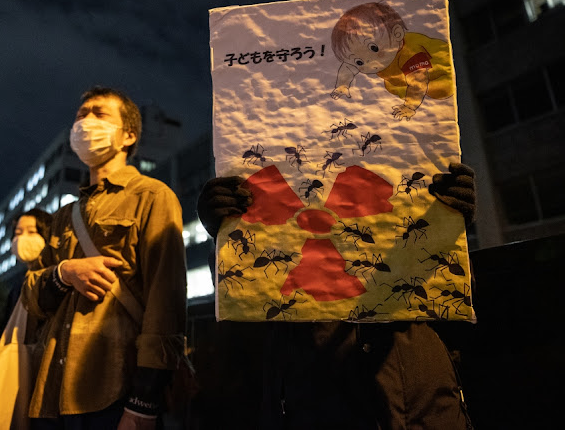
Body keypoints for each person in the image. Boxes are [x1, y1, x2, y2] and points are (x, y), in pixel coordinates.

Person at [195, 162, 476, 429]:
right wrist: (225, 237)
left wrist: (449, 226)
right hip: (310, 394)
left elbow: (455, 300)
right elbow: (244, 305)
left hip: (420, 396)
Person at [20, 86, 187, 429]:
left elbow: (164, 305)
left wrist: (143, 404)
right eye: (81, 115)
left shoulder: (153, 196)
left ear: (128, 136)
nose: (86, 122)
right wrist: (64, 272)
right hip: (49, 391)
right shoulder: (64, 215)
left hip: (112, 393)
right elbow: (31, 295)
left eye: (99, 114)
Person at [329, 1, 453, 121]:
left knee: (441, 91)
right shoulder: (379, 57)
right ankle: (412, 91)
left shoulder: (411, 52)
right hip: (403, 75)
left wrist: (410, 106)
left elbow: (418, 81)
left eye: (374, 48)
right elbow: (348, 66)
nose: (369, 62)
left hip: (441, 69)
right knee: (391, 86)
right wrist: (342, 85)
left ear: (397, 34)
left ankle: (422, 93)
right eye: (359, 62)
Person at [0, 208, 53, 341]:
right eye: (18, 232)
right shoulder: (19, 284)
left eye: (32, 232)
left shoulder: (56, 277)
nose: (22, 238)